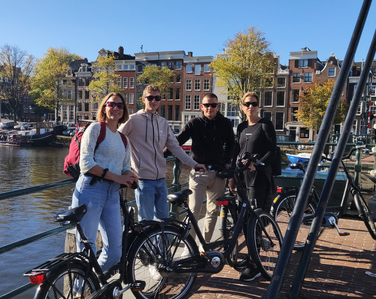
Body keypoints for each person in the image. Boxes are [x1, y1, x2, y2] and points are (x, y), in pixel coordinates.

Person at [71, 92, 138, 274]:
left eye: (120, 105)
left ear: (124, 110)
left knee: (116, 251)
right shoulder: (95, 129)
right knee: (86, 248)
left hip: (112, 194)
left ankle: (94, 284)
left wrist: (130, 175)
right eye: (111, 104)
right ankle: (81, 291)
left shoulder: (124, 139)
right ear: (104, 107)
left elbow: (124, 166)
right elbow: (86, 163)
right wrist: (117, 177)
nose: (115, 108)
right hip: (90, 190)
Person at [119, 84, 205, 221]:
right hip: (143, 180)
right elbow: (117, 140)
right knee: (146, 222)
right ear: (143, 99)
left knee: (164, 221)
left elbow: (175, 147)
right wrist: (123, 167)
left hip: (161, 180)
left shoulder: (163, 123)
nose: (153, 101)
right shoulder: (133, 120)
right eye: (150, 98)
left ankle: (163, 244)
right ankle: (146, 243)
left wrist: (194, 164)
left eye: (157, 98)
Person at [229, 92, 278, 282]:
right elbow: (237, 151)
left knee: (253, 219)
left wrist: (257, 164)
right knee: (243, 217)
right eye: (247, 104)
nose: (251, 107)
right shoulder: (241, 127)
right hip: (242, 177)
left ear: (258, 106)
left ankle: (255, 265)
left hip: (258, 177)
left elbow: (272, 150)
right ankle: (251, 257)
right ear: (242, 107)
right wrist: (233, 176)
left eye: (254, 104)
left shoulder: (265, 125)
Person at [176, 93, 235, 243]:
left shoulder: (226, 123)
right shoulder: (193, 123)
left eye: (213, 105)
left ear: (218, 107)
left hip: (218, 172)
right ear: (201, 107)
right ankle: (190, 249)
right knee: (194, 211)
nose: (210, 108)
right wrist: (160, 154)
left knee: (213, 211)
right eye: (207, 105)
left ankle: (205, 246)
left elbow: (231, 144)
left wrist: (227, 162)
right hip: (198, 173)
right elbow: (177, 141)